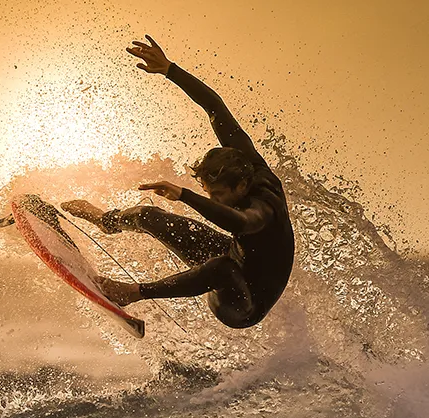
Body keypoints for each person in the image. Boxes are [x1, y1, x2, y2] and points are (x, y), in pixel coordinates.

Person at [61, 35, 295, 329]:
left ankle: (133, 292)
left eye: (220, 195)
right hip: (233, 254)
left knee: (222, 268)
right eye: (210, 194)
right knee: (148, 215)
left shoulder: (264, 207)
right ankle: (105, 220)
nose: (214, 201)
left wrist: (185, 195)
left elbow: (238, 222)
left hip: (244, 302)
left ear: (241, 186)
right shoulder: (246, 158)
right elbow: (215, 108)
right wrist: (170, 70)